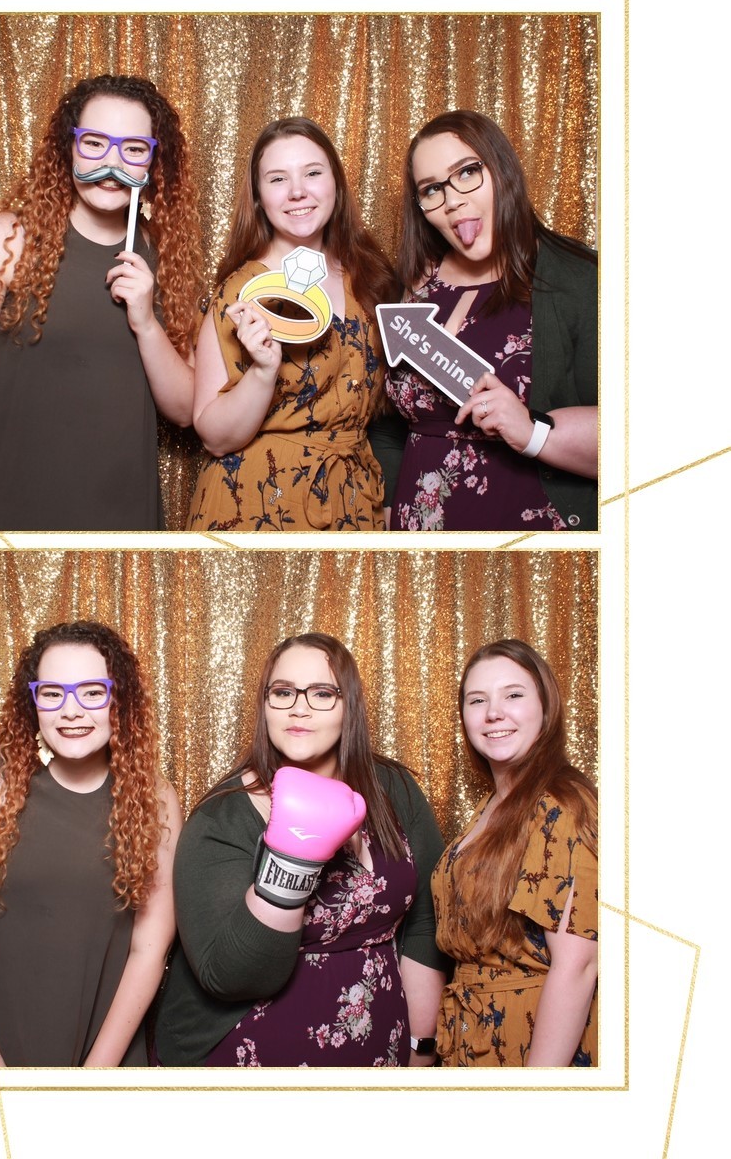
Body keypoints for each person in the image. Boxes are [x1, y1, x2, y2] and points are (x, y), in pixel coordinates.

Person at [155, 633, 449, 1066]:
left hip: (379, 1047)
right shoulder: (222, 817)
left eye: (322, 693)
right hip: (250, 1054)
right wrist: (292, 858)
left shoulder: (395, 788)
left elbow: (426, 920)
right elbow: (228, 977)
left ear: (349, 705)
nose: (299, 707)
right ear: (265, 705)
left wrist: (422, 1045)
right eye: (283, 692)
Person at [0, 73, 200, 531]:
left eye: (134, 149)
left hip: (121, 523)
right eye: (94, 143)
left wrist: (146, 324)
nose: (112, 163)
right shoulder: (6, 242)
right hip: (7, 515)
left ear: (154, 162)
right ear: (68, 147)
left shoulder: (164, 257)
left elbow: (187, 410)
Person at [0, 621, 180, 1067]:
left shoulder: (154, 799)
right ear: (34, 703)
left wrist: (94, 1075)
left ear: (118, 700)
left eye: (92, 692)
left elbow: (149, 948)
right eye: (52, 693)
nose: (71, 711)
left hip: (102, 1057)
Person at [373, 110, 598, 530]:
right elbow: (387, 425)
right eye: (432, 189)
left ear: (501, 169)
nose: (452, 200)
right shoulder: (414, 285)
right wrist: (387, 501)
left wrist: (533, 431)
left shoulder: (579, 279)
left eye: (467, 172)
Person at [186, 118, 395, 531]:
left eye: (312, 173)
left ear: (336, 182)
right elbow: (214, 436)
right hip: (257, 504)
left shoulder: (371, 278)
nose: (297, 191)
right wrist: (263, 372)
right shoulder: (242, 293)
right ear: (259, 197)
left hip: (355, 502)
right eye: (278, 178)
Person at [432, 640, 598, 1065]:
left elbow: (578, 966)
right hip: (472, 1040)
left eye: (513, 695)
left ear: (546, 706)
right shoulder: (494, 805)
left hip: (532, 1043)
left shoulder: (563, 805)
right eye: (477, 700)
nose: (493, 712)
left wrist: (534, 1091)